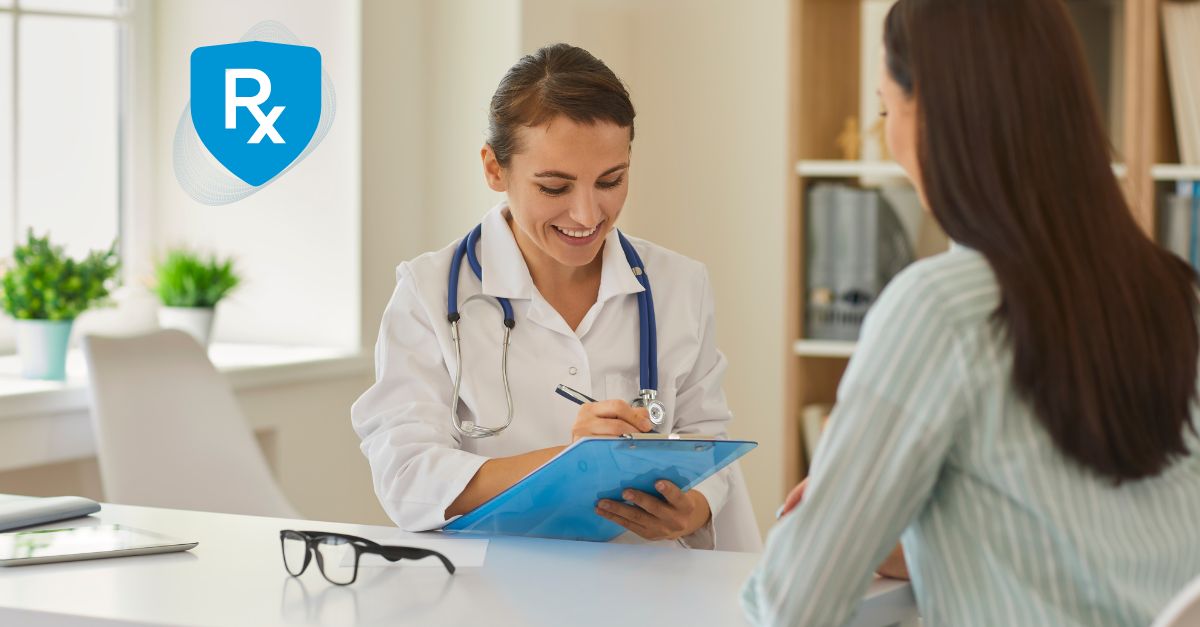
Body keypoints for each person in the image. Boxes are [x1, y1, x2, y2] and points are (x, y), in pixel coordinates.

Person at [742, 0, 1200, 624]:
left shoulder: (941, 310)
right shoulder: (1177, 295)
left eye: (885, 109)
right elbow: (1094, 536)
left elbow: (796, 603)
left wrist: (830, 518)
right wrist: (934, 535)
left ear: (933, 117)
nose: (887, 137)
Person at [352, 43, 757, 551]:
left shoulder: (678, 284)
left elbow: (708, 440)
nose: (587, 215)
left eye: (611, 180)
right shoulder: (429, 292)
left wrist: (688, 510)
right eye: (554, 187)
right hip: (495, 591)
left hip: (650, 588)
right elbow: (407, 476)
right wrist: (572, 463)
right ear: (495, 169)